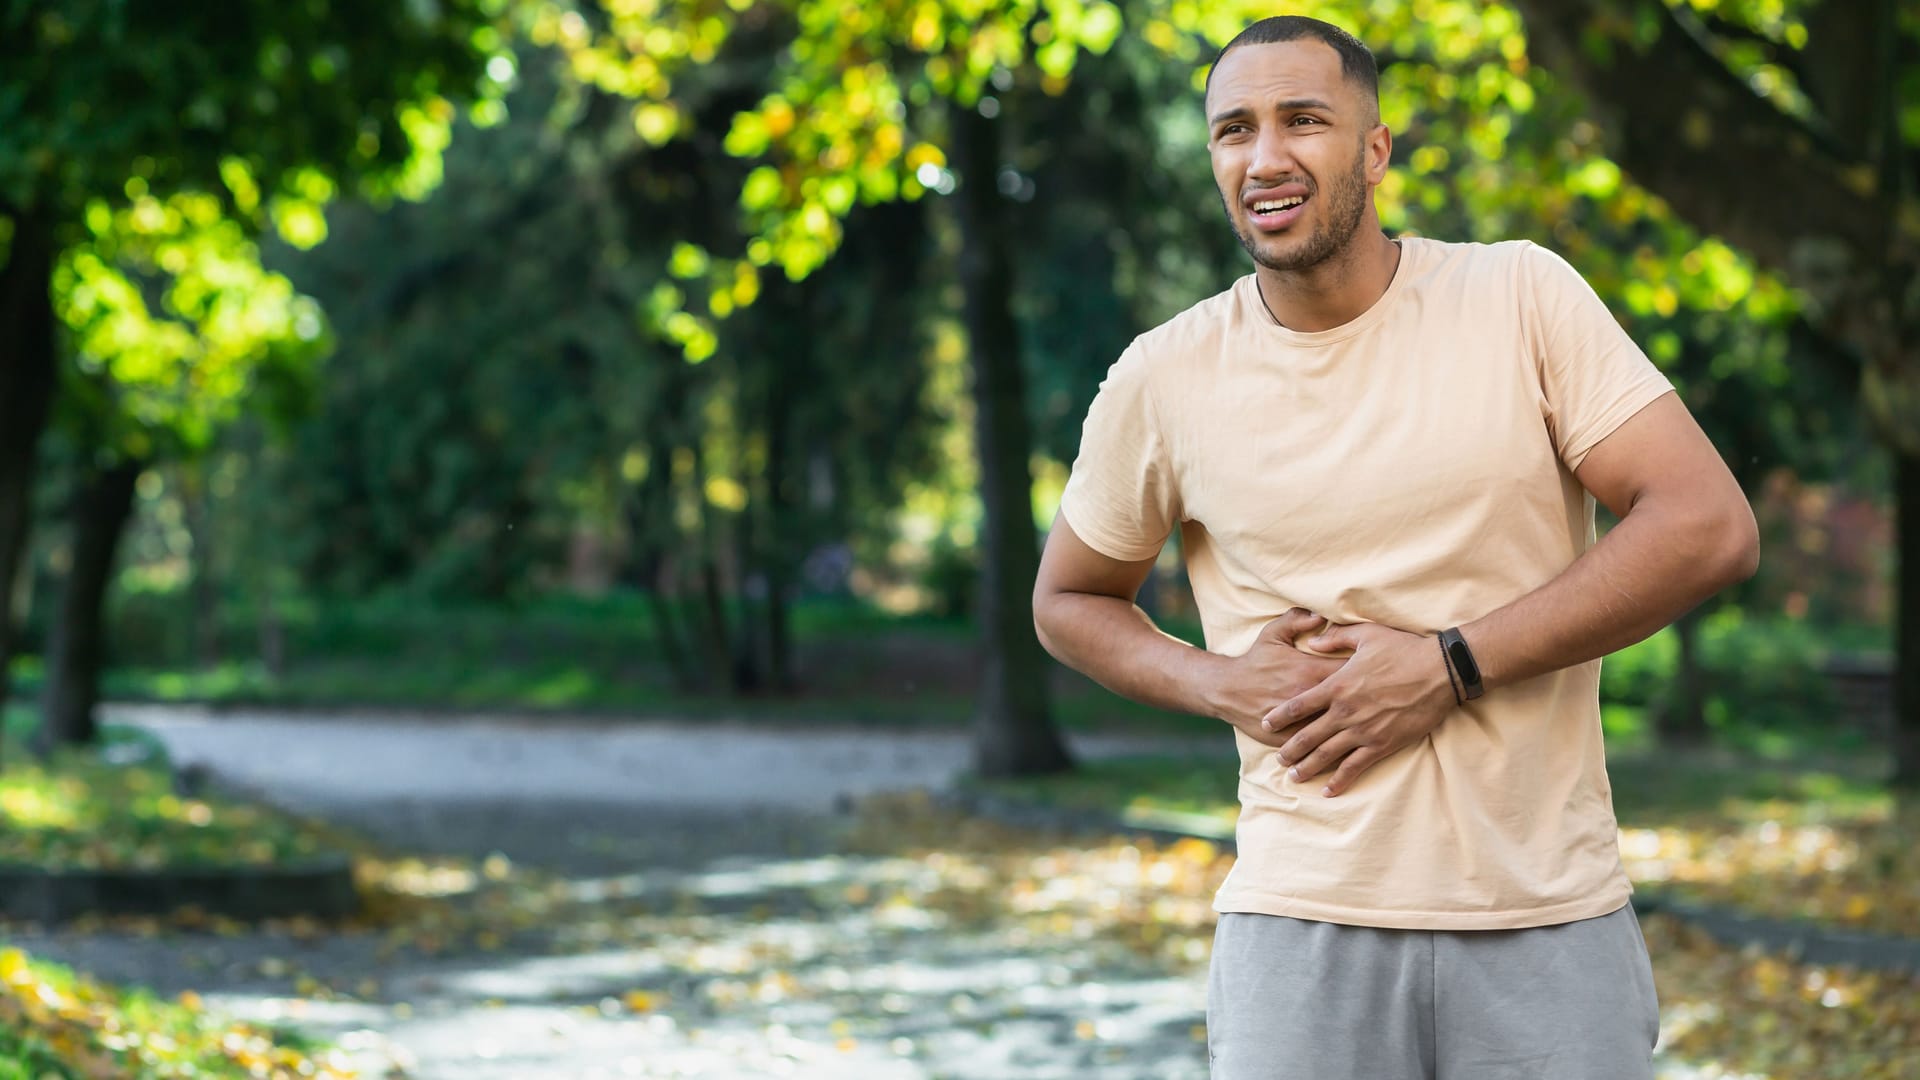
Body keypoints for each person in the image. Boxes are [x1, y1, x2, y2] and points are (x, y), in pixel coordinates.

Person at [1030, 14, 1758, 1080]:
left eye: (1303, 120)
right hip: (1300, 927)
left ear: (1376, 150)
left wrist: (1449, 664)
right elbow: (1068, 600)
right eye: (1234, 131)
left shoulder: (1519, 297)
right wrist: (1214, 682)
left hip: (1546, 917)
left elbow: (1707, 526)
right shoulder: (1166, 374)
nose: (1265, 156)